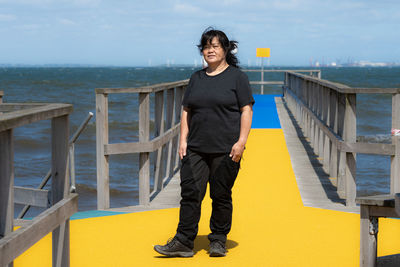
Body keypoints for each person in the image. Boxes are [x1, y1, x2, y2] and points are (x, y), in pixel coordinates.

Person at [154, 27, 254, 257]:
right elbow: (186, 110)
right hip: (196, 148)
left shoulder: (237, 77)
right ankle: (183, 241)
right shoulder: (196, 78)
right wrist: (182, 140)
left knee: (220, 195)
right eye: (206, 47)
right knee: (190, 193)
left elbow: (246, 110)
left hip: (226, 148)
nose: (210, 50)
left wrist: (241, 142)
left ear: (225, 49)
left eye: (215, 46)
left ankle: (218, 240)